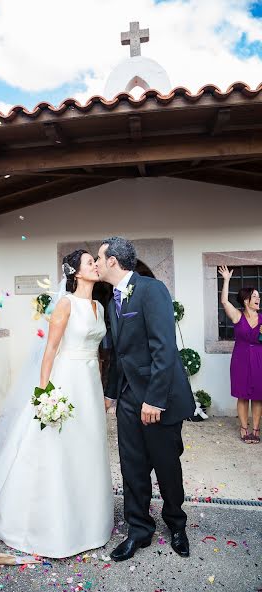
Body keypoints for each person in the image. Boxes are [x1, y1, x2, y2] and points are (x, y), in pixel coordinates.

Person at [0, 250, 114, 558]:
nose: (96, 265)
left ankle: (89, 522)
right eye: (90, 263)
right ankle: (48, 523)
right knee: (58, 447)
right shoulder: (65, 304)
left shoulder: (98, 305)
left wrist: (101, 388)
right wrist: (45, 395)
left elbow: (96, 352)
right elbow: (50, 351)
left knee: (89, 447)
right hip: (66, 380)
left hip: (89, 385)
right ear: (76, 272)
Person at [96, 237, 195, 561]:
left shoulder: (152, 290)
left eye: (99, 258)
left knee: (167, 466)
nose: (96, 264)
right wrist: (110, 394)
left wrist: (154, 399)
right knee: (132, 467)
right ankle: (139, 530)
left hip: (158, 397)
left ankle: (176, 525)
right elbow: (118, 354)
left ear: (113, 261)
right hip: (127, 398)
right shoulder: (112, 300)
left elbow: (164, 349)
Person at [218, 266, 262, 444]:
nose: (258, 298)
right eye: (255, 296)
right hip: (241, 359)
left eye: (258, 296)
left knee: (259, 395)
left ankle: (256, 429)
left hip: (259, 358)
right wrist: (226, 280)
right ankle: (244, 428)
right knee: (242, 395)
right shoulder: (237, 317)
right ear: (246, 301)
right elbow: (224, 302)